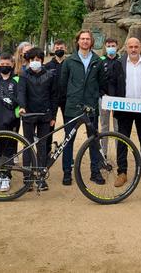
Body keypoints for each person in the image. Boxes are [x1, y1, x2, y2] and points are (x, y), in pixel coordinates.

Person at [59, 30, 107, 186]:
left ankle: (95, 171)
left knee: (93, 140)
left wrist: (94, 96)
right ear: (78, 41)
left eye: (88, 39)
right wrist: (70, 98)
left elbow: (102, 84)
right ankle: (67, 172)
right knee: (68, 140)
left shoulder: (97, 61)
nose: (85, 41)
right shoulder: (69, 61)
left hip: (91, 107)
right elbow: (63, 84)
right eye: (82, 39)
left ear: (91, 42)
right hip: (73, 106)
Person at [114, 37, 141, 188]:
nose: (133, 49)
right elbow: (112, 84)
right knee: (122, 141)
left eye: (136, 47)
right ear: (126, 48)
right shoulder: (118, 64)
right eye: (130, 47)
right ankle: (122, 173)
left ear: (140, 48)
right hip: (124, 109)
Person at [18, 47, 57, 190]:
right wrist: (22, 106)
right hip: (28, 115)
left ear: (42, 60)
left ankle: (40, 177)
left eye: (38, 60)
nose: (35, 62)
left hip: (44, 116)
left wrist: (53, 115)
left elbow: (54, 96)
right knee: (27, 145)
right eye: (32, 60)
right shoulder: (24, 75)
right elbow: (21, 92)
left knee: (42, 146)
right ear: (28, 61)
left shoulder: (49, 75)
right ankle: (27, 178)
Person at [0, 53, 21, 193]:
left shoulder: (17, 80)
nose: (5, 66)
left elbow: (21, 99)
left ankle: (6, 175)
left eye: (8, 64)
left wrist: (16, 114)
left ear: (12, 65)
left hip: (11, 121)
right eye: (2, 64)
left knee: (9, 149)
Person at [100, 37, 122, 153]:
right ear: (105, 47)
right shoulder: (100, 61)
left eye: (113, 46)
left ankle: (119, 153)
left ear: (117, 46)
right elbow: (97, 80)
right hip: (104, 98)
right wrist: (103, 94)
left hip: (118, 100)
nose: (111, 48)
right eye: (108, 46)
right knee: (104, 126)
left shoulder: (122, 61)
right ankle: (104, 153)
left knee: (118, 127)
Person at [45, 39, 68, 123]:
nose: (59, 50)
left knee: (68, 124)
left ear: (65, 48)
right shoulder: (47, 66)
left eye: (61, 48)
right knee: (50, 124)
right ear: (53, 49)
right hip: (51, 98)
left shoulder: (69, 64)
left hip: (66, 98)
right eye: (57, 48)